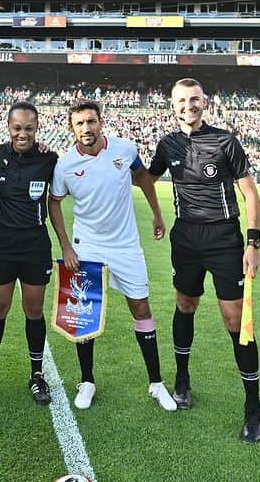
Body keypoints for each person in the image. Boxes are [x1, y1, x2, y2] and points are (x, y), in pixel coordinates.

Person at [146, 78, 260, 443]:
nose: (188, 106)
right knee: (185, 304)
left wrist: (253, 243)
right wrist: (155, 213)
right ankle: (182, 380)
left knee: (235, 320)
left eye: (193, 99)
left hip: (224, 240)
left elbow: (250, 194)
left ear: (204, 102)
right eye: (181, 101)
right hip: (185, 238)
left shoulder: (226, 141)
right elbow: (146, 178)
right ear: (173, 105)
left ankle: (254, 408)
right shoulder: (167, 144)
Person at [47, 99, 177, 412]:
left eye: (91, 121)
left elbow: (144, 177)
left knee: (141, 308)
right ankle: (87, 381)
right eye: (79, 123)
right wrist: (66, 246)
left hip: (125, 245)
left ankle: (156, 383)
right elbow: (54, 203)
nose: (86, 128)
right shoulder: (64, 165)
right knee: (83, 314)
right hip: (87, 245)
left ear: (101, 122)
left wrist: (157, 214)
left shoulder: (125, 149)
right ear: (71, 128)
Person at [0, 101, 59, 406]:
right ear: (8, 128)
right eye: (17, 128)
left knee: (33, 311)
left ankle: (37, 375)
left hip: (35, 245)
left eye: (29, 129)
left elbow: (63, 192)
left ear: (37, 129)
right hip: (2, 245)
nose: (23, 134)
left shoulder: (49, 159)